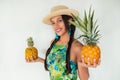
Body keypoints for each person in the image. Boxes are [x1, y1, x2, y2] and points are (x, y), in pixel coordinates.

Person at [26, 5, 100, 80]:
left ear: (70, 21)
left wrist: (81, 64)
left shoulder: (77, 47)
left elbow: (84, 79)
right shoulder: (53, 43)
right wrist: (39, 59)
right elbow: (55, 66)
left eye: (60, 20)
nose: (56, 26)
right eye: (53, 23)